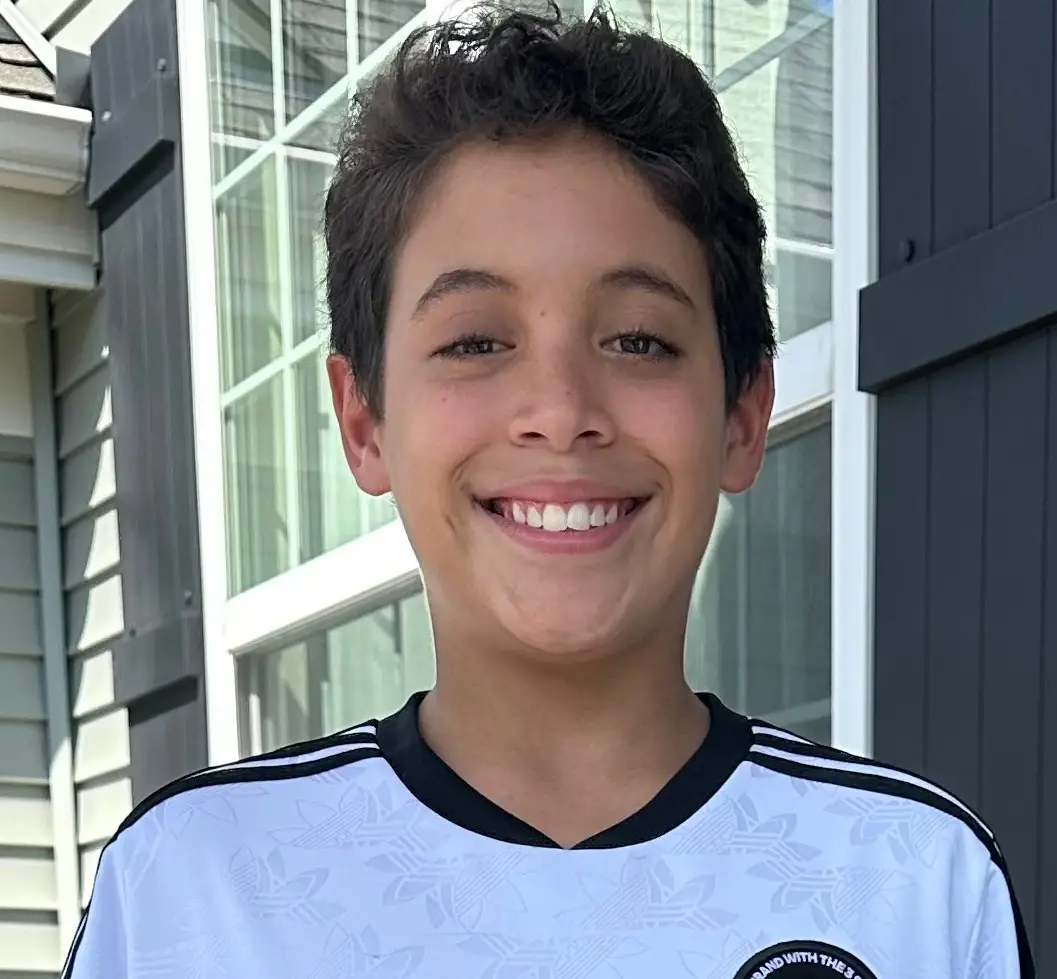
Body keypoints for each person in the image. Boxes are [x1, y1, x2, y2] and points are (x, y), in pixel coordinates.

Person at [64, 5, 1033, 978]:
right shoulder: (189, 891)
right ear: (364, 423)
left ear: (742, 414)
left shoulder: (918, 883)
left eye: (639, 340)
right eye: (475, 341)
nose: (561, 411)